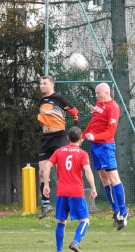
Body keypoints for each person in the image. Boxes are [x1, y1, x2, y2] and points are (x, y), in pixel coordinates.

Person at [82, 82, 129, 231]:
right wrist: (82, 137)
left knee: (114, 178)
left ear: (107, 93)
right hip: (95, 146)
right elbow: (93, 122)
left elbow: (110, 133)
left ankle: (124, 212)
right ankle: (115, 210)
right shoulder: (98, 104)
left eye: (98, 93)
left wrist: (94, 137)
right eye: (96, 93)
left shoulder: (113, 108)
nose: (96, 96)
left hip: (106, 147)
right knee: (103, 179)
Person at [43, 126, 97, 252]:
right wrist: (93, 188)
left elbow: (47, 166)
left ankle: (59, 250)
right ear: (81, 139)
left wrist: (46, 185)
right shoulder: (83, 154)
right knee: (85, 220)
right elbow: (88, 171)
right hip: (76, 192)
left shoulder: (59, 151)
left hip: (61, 192)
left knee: (61, 221)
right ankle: (75, 241)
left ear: (68, 138)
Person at [38, 75, 81, 219]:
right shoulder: (42, 101)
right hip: (46, 139)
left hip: (59, 138)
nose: (41, 86)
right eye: (41, 83)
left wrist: (77, 132)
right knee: (42, 172)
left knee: (62, 172)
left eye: (44, 83)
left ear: (51, 85)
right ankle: (46, 204)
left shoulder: (60, 99)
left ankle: (70, 205)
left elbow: (75, 114)